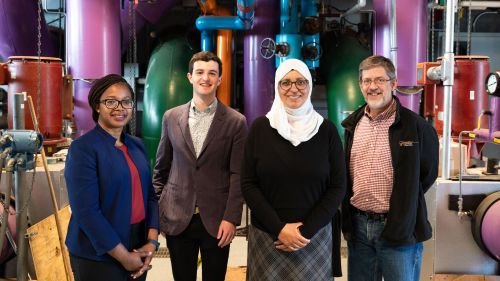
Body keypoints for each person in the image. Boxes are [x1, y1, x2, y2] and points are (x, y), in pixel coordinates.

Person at [241, 58, 347, 280]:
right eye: (286, 82)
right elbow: (248, 184)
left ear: (309, 85)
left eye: (300, 82)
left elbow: (338, 187)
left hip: (313, 238)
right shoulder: (260, 128)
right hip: (268, 236)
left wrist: (305, 231)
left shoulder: (326, 131)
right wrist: (279, 229)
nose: (293, 89)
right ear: (277, 87)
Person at [341, 55, 439, 281]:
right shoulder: (353, 125)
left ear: (393, 84)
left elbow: (427, 173)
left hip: (398, 228)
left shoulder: (416, 127)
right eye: (366, 81)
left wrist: (403, 205)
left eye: (379, 80)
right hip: (358, 228)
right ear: (360, 85)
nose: (372, 86)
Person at [153, 51, 247, 281]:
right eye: (200, 72)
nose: (206, 78)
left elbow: (238, 174)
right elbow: (161, 170)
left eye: (212, 73)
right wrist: (157, 214)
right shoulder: (171, 117)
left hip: (217, 220)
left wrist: (232, 219)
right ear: (190, 77)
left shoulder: (236, 122)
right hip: (177, 218)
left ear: (220, 79)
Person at [65, 74, 159, 281]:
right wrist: (124, 257)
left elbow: (150, 196)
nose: (120, 107)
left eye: (126, 101)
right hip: (98, 252)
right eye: (111, 101)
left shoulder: (136, 145)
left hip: (138, 245)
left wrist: (152, 242)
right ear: (97, 106)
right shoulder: (83, 149)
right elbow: (86, 212)